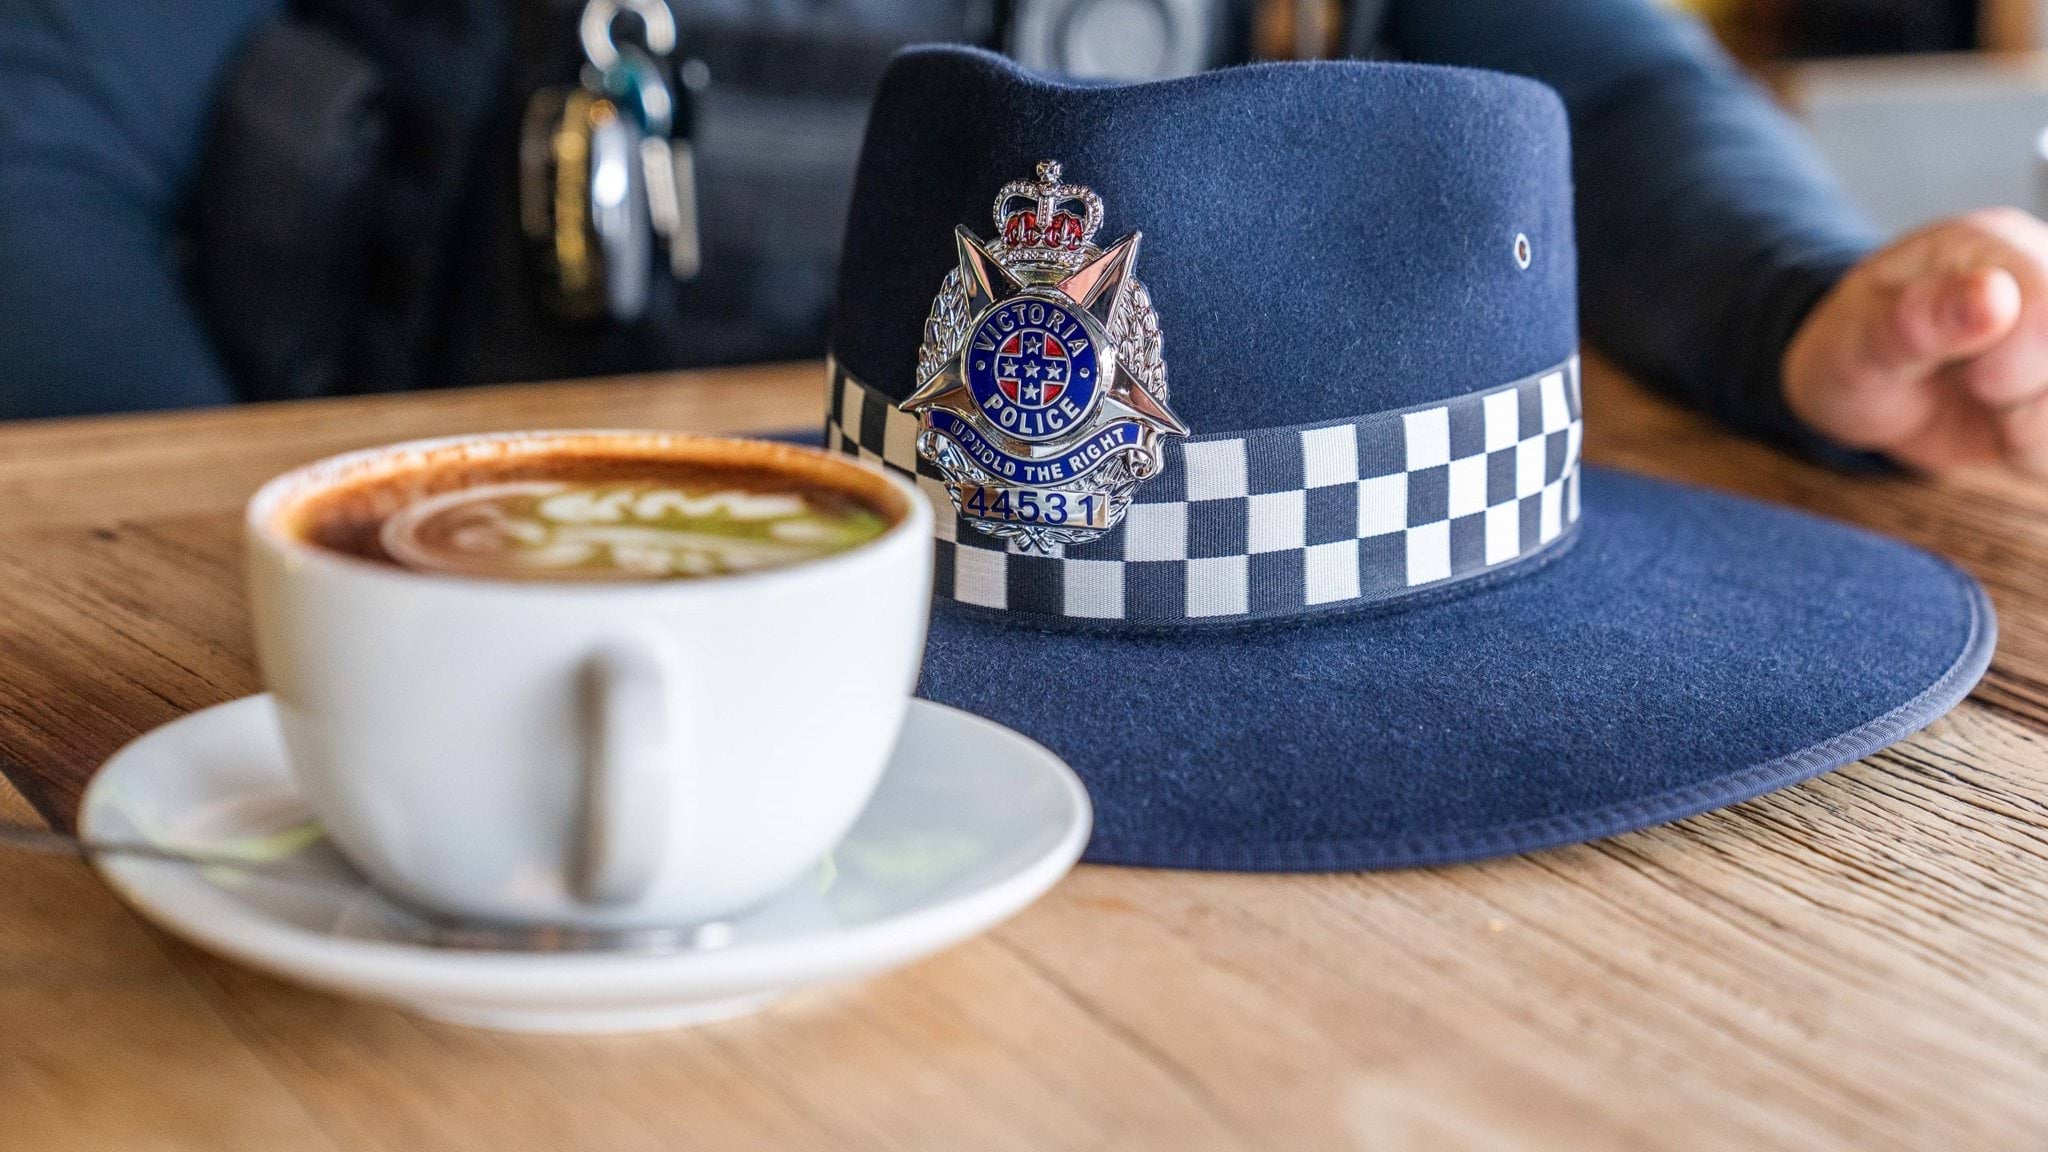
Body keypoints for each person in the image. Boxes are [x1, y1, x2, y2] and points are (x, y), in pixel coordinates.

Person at [0, 0, 2040, 479]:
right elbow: (39, 130)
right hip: (448, 584)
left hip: (1138, 646)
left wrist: (1802, 306)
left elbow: (1595, 88)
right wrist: (282, 619)